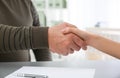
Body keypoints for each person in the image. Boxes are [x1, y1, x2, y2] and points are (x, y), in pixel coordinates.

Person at [0, 23, 86, 61]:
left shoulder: (26, 2)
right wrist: (46, 36)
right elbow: (43, 38)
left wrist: (47, 68)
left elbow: (41, 45)